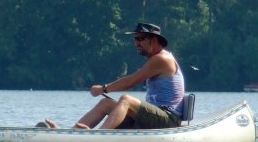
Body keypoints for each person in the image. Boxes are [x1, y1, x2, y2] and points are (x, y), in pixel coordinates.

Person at [48, 22, 186, 130]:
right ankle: (73, 133)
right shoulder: (155, 60)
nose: (136, 43)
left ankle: (100, 136)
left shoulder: (162, 59)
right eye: (135, 39)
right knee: (105, 103)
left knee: (126, 100)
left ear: (154, 40)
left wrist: (103, 89)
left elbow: (130, 82)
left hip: (168, 120)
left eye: (141, 38)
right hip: (154, 118)